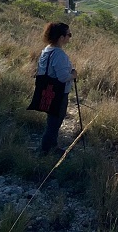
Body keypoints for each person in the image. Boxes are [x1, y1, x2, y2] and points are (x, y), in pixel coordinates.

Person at [37, 22, 76, 156]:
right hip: (58, 93)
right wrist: (73, 75)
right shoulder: (59, 54)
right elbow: (62, 77)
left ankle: (51, 146)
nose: (70, 37)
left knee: (52, 120)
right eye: (68, 35)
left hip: (46, 90)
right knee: (54, 123)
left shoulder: (46, 50)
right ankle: (45, 151)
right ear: (61, 37)